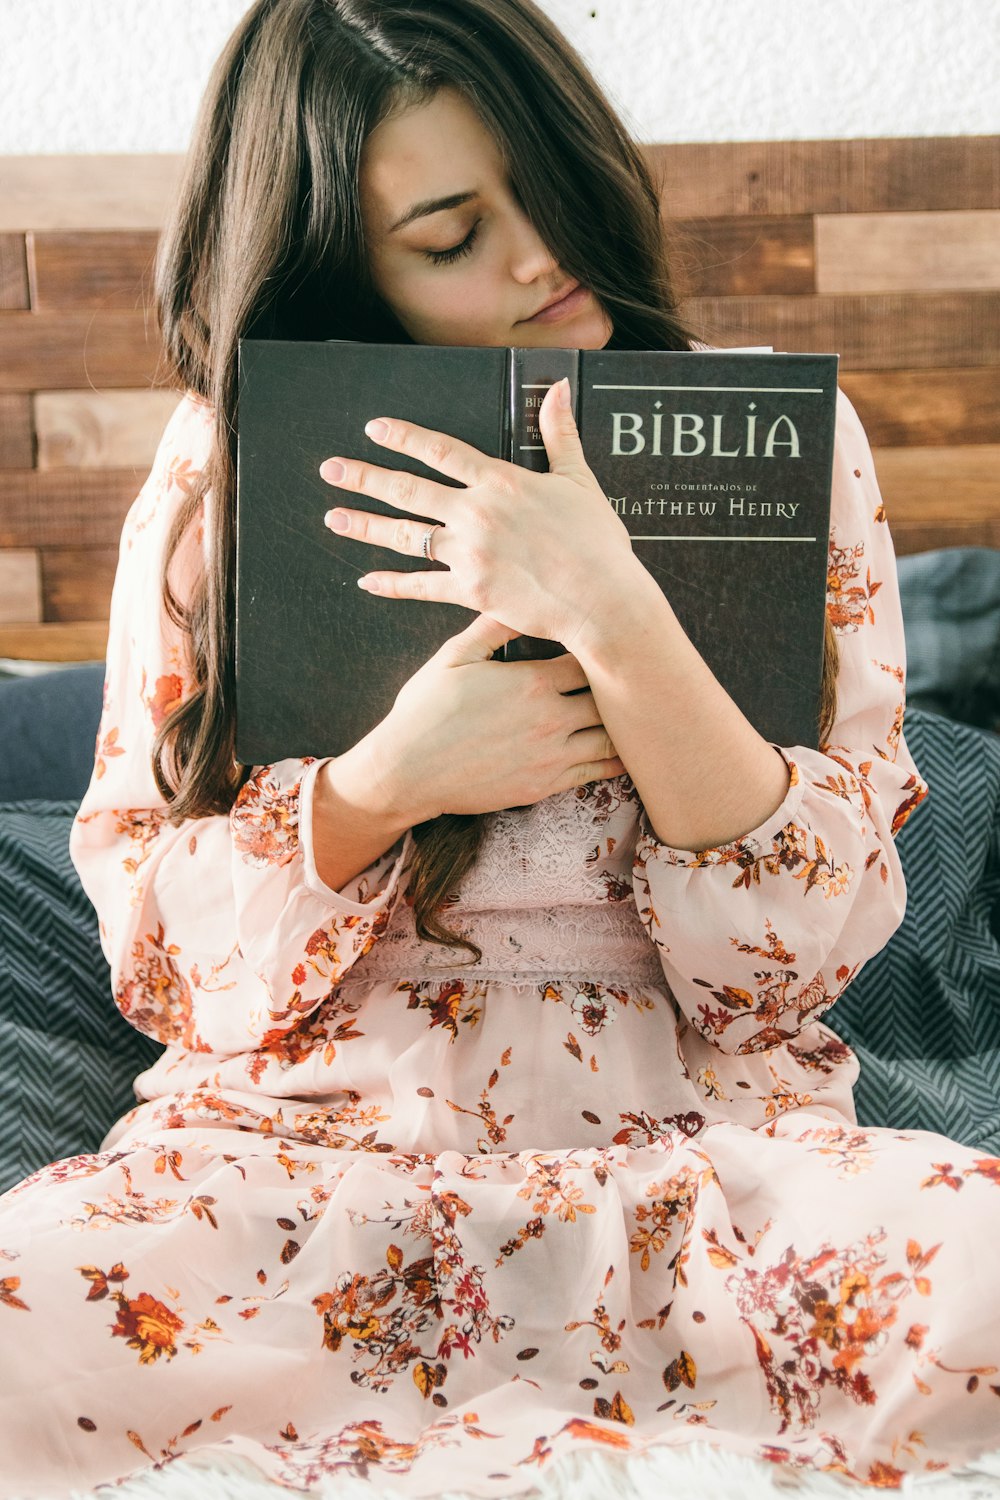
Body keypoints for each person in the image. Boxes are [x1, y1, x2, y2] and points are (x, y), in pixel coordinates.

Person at [1, 1, 997, 1494]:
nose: (540, 257)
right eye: (454, 233)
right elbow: (153, 959)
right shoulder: (223, 467)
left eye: (549, 182)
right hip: (309, 1164)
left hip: (704, 1160)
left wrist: (617, 616)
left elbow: (796, 961)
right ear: (342, 256)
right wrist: (390, 783)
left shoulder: (795, 441)